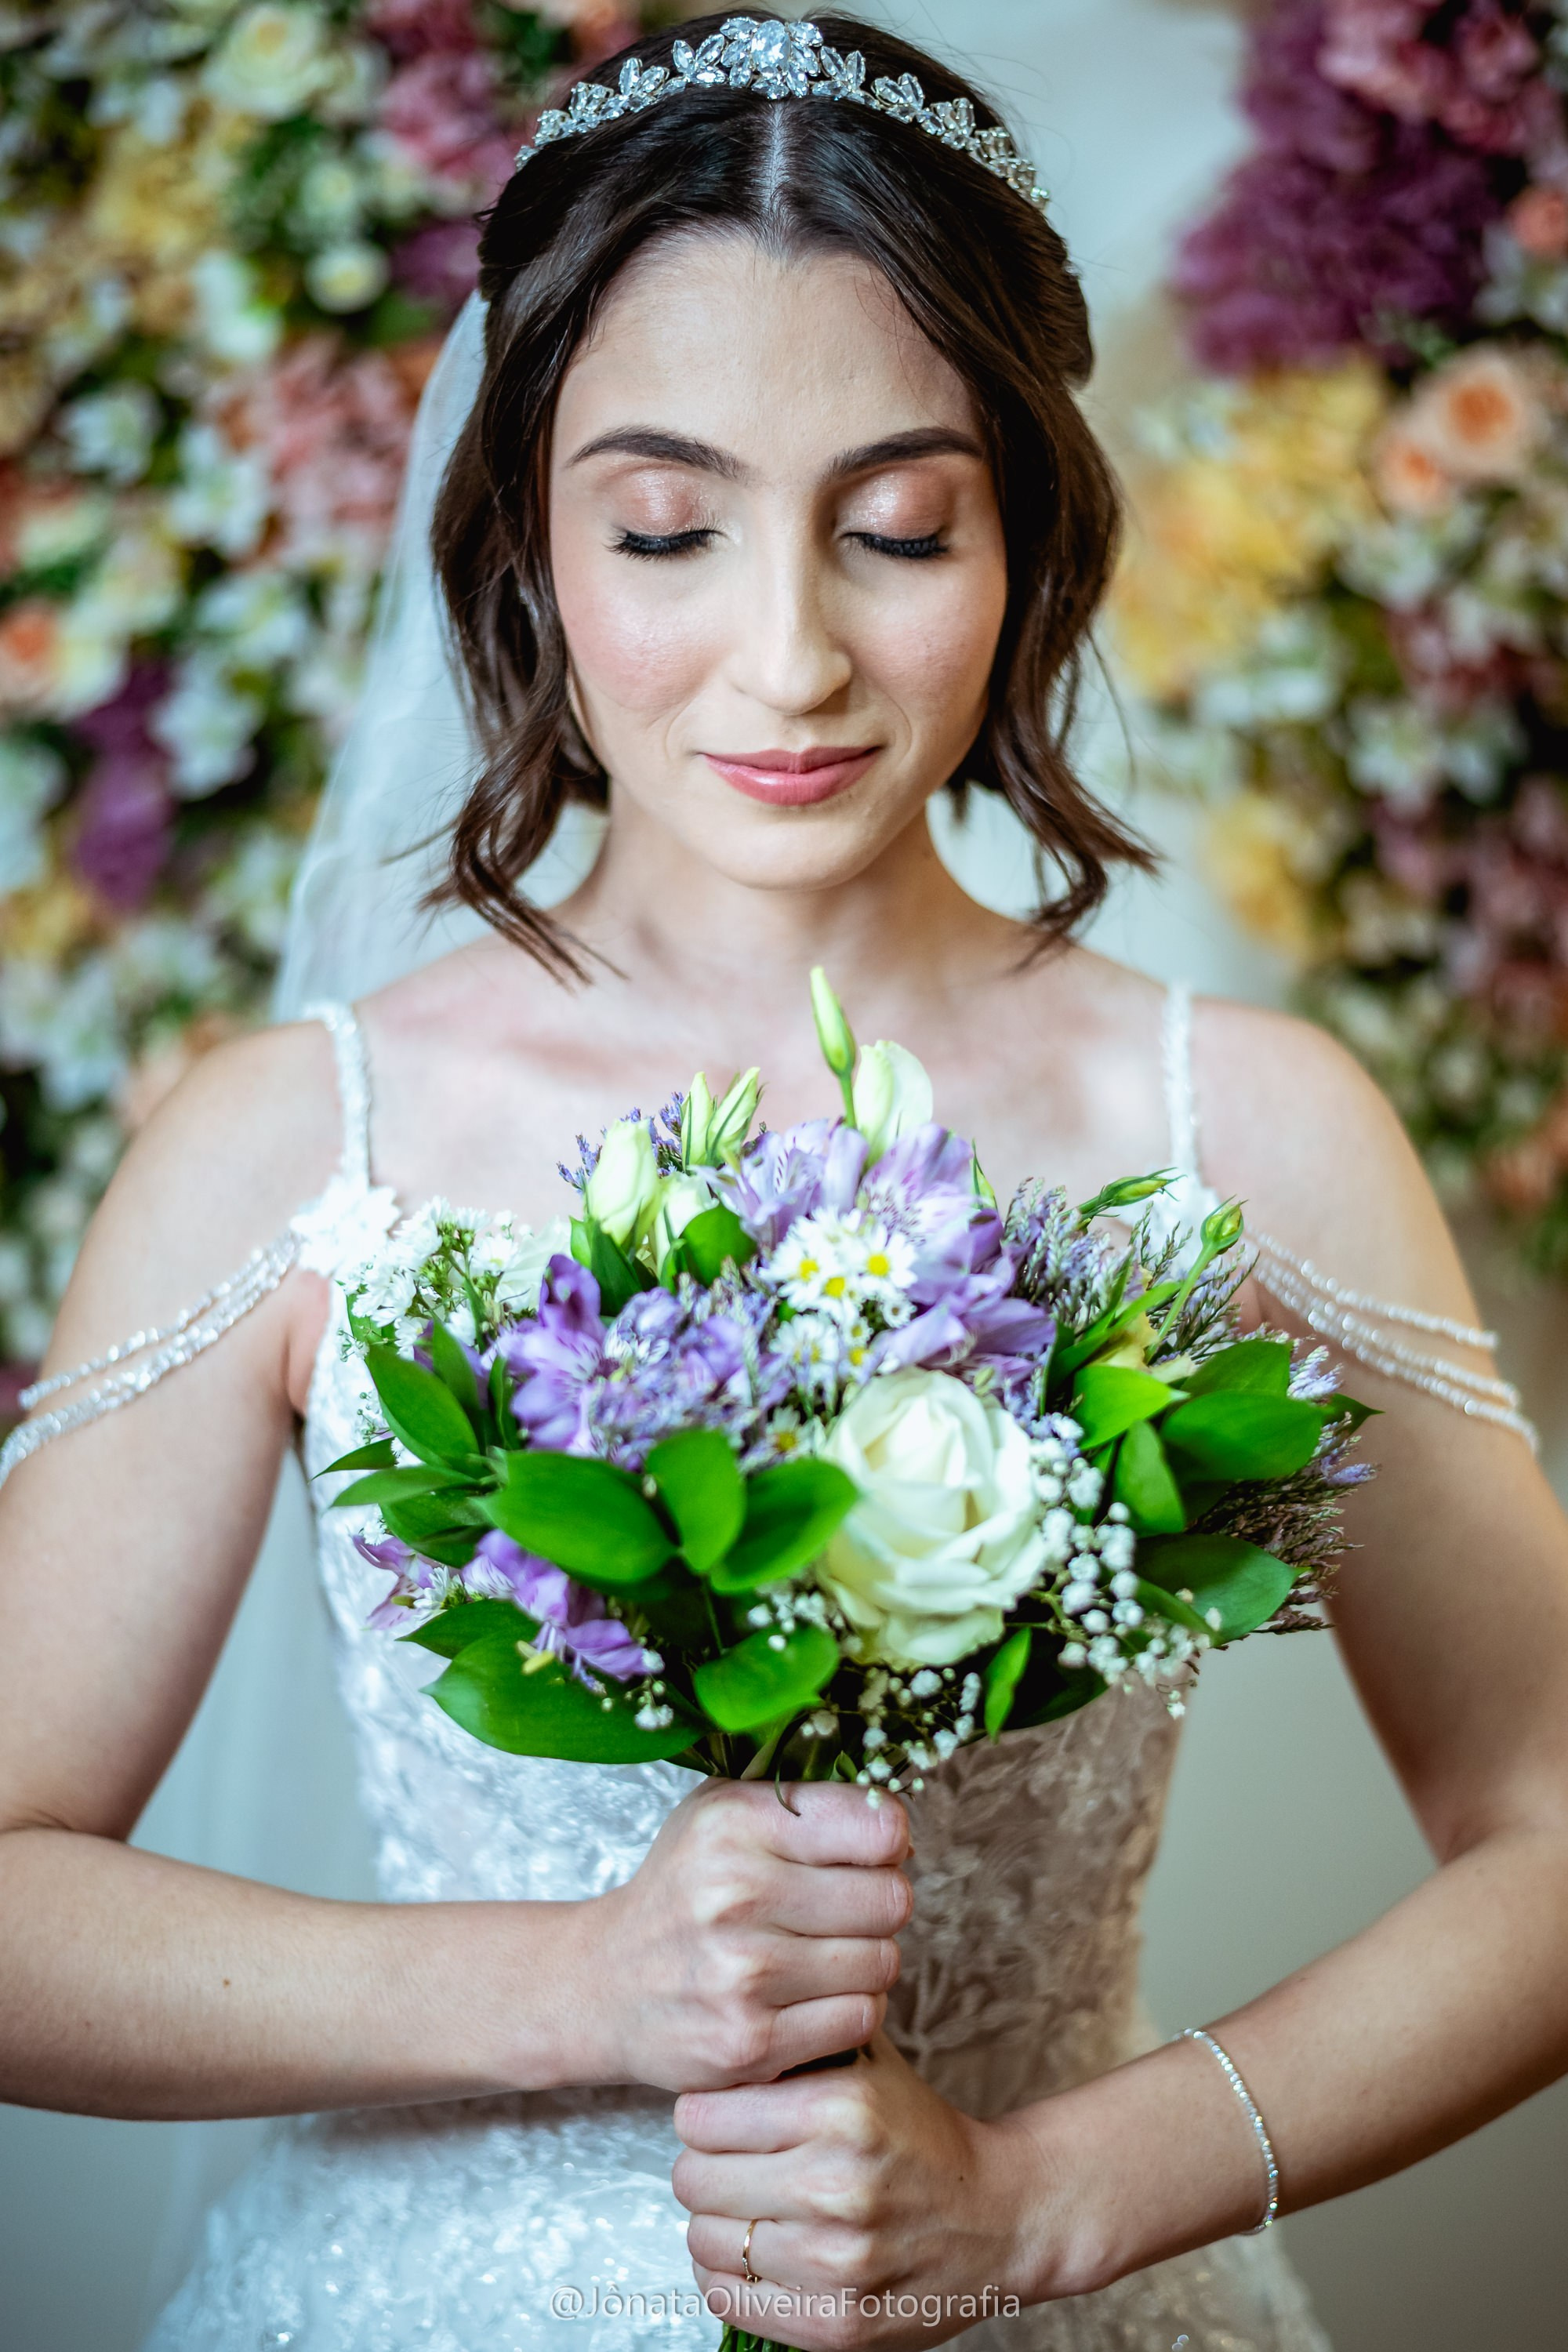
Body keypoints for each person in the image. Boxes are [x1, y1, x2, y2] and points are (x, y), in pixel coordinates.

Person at [2, 14, 1566, 2350]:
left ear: (1029, 524)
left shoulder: (1242, 1128)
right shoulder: (293, 1138)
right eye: (666, 528)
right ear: (525, 533)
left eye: (901, 527)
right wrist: (577, 1988)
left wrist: (1054, 2194)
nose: (792, 653)